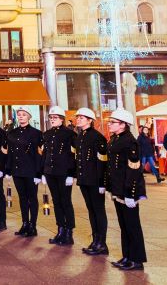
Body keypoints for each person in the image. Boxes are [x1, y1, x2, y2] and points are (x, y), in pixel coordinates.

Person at [106, 108, 148, 271]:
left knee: (132, 225)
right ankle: (127, 256)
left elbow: (133, 169)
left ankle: (137, 260)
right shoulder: (115, 139)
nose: (110, 124)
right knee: (123, 225)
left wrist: (130, 193)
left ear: (123, 124)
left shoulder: (130, 141)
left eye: (113, 122)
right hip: (118, 188)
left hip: (128, 189)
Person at [74, 108, 109, 256]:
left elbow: (102, 162)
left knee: (98, 211)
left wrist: (102, 183)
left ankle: (102, 243)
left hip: (95, 181)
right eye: (78, 117)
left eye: (82, 118)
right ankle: (95, 240)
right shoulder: (80, 136)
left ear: (90, 120)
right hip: (84, 180)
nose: (79, 119)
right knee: (91, 210)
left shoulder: (97, 137)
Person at [42, 106, 77, 245]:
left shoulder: (70, 134)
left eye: (55, 118)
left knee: (66, 202)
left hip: (64, 173)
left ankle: (69, 232)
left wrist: (71, 174)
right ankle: (60, 229)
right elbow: (45, 154)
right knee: (56, 202)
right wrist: (43, 171)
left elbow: (73, 156)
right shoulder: (47, 134)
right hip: (50, 172)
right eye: (51, 118)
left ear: (62, 119)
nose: (52, 120)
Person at [6, 106, 42, 237]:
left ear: (29, 117)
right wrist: (8, 169)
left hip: (31, 171)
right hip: (17, 170)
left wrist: (39, 173)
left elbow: (39, 155)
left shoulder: (36, 133)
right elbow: (10, 153)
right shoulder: (12, 133)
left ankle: (33, 225)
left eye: (23, 114)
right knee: (22, 198)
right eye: (19, 114)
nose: (21, 116)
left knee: (32, 198)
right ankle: (25, 223)